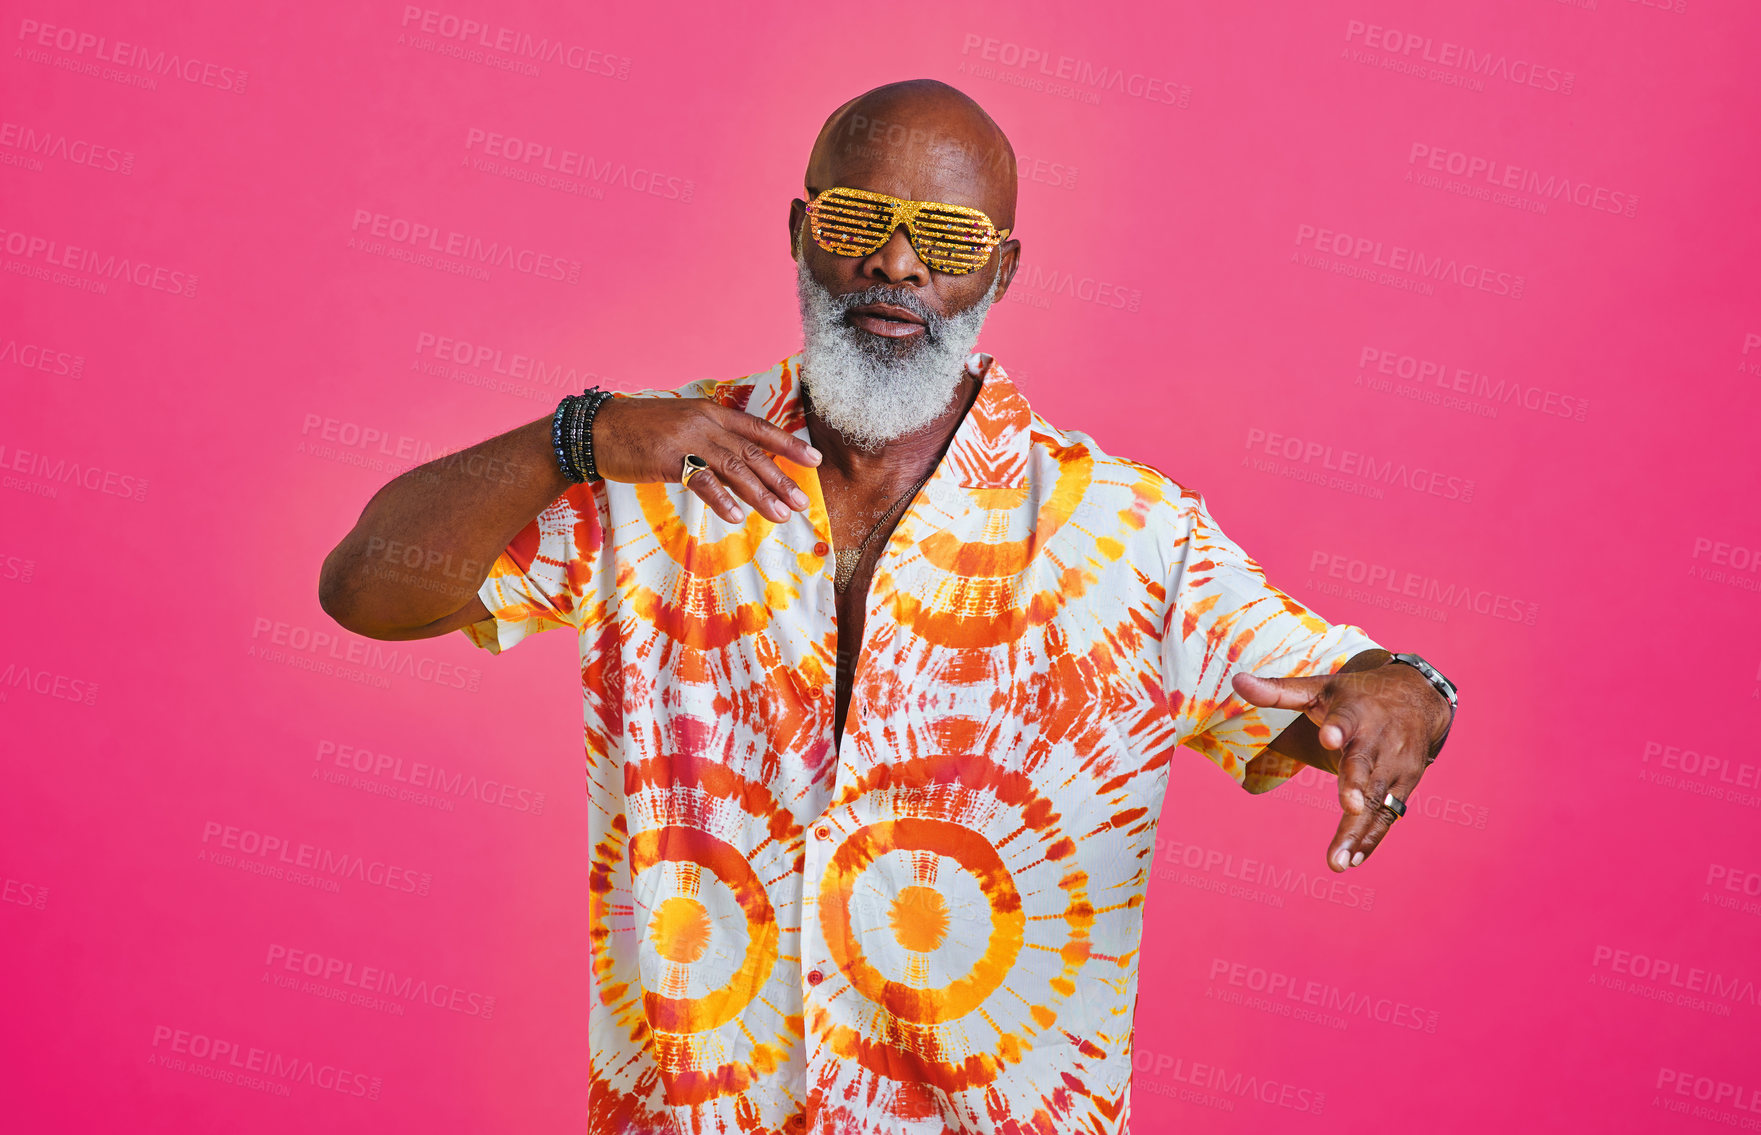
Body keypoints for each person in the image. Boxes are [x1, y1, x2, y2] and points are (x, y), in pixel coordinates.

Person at [319, 79, 1457, 1135]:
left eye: (950, 241)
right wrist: (581, 434)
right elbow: (367, 586)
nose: (899, 264)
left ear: (1002, 274)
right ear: (802, 228)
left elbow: (1339, 703)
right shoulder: (656, 471)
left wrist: (1409, 693)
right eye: (860, 219)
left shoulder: (1131, 537)